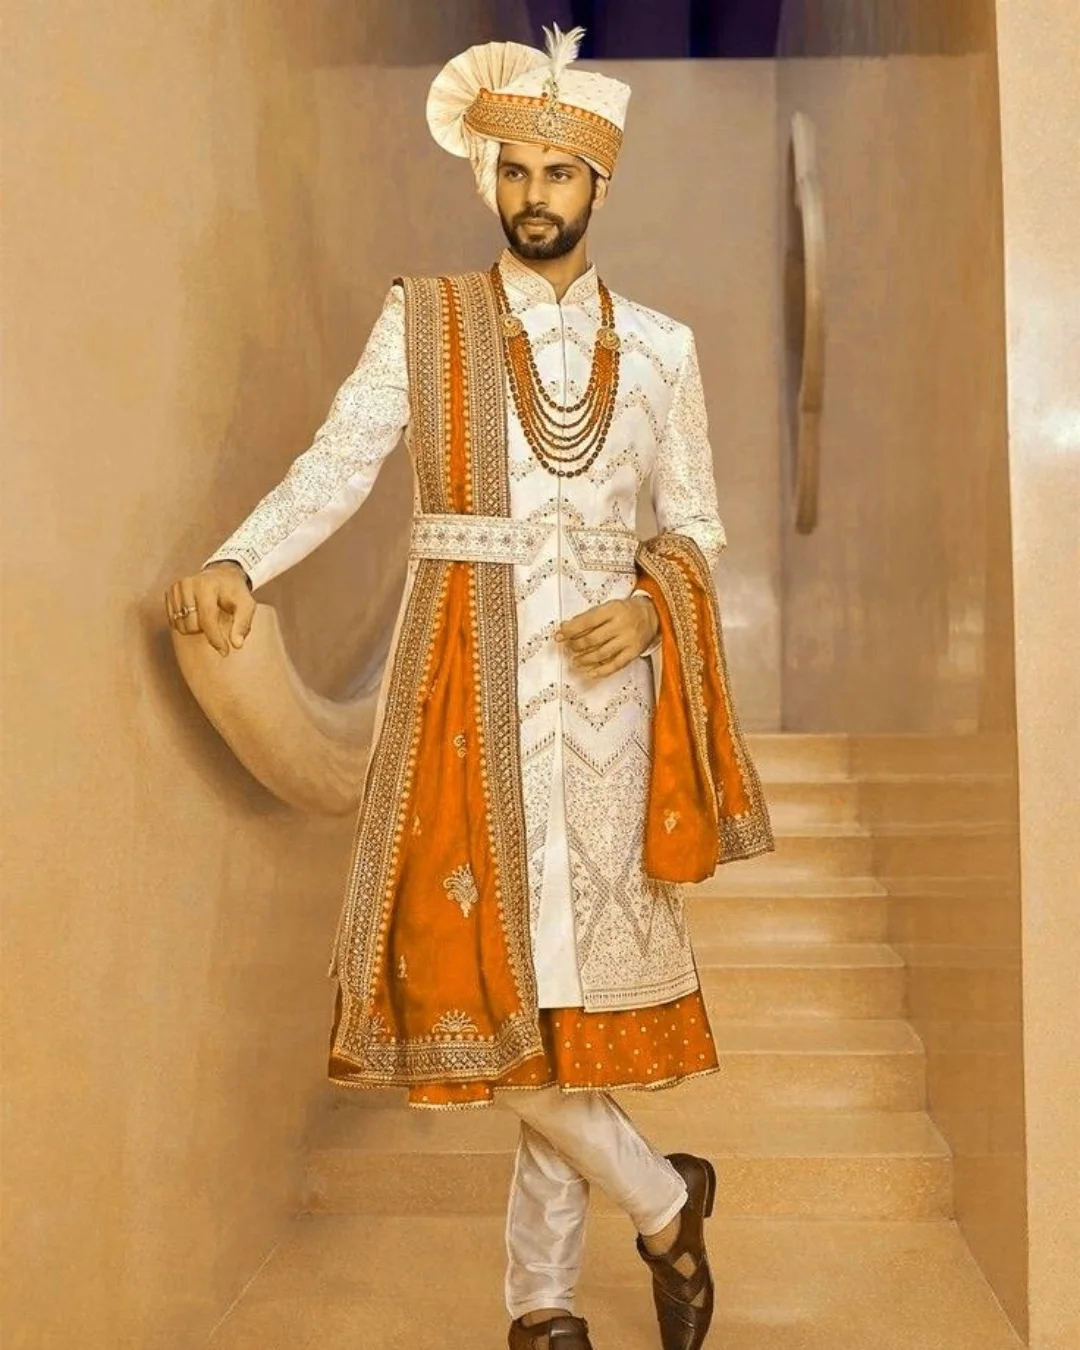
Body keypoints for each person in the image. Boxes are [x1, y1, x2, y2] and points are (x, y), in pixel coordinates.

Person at [165, 25, 772, 1350]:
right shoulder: (426, 317)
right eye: (516, 170)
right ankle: (667, 1203)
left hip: (605, 717)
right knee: (489, 1002)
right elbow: (340, 459)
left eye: (560, 172)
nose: (535, 194)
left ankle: (540, 1307)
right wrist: (237, 557)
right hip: (459, 688)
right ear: (490, 178)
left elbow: (696, 527)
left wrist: (648, 607)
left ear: (601, 184)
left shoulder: (659, 350)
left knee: (559, 1020)